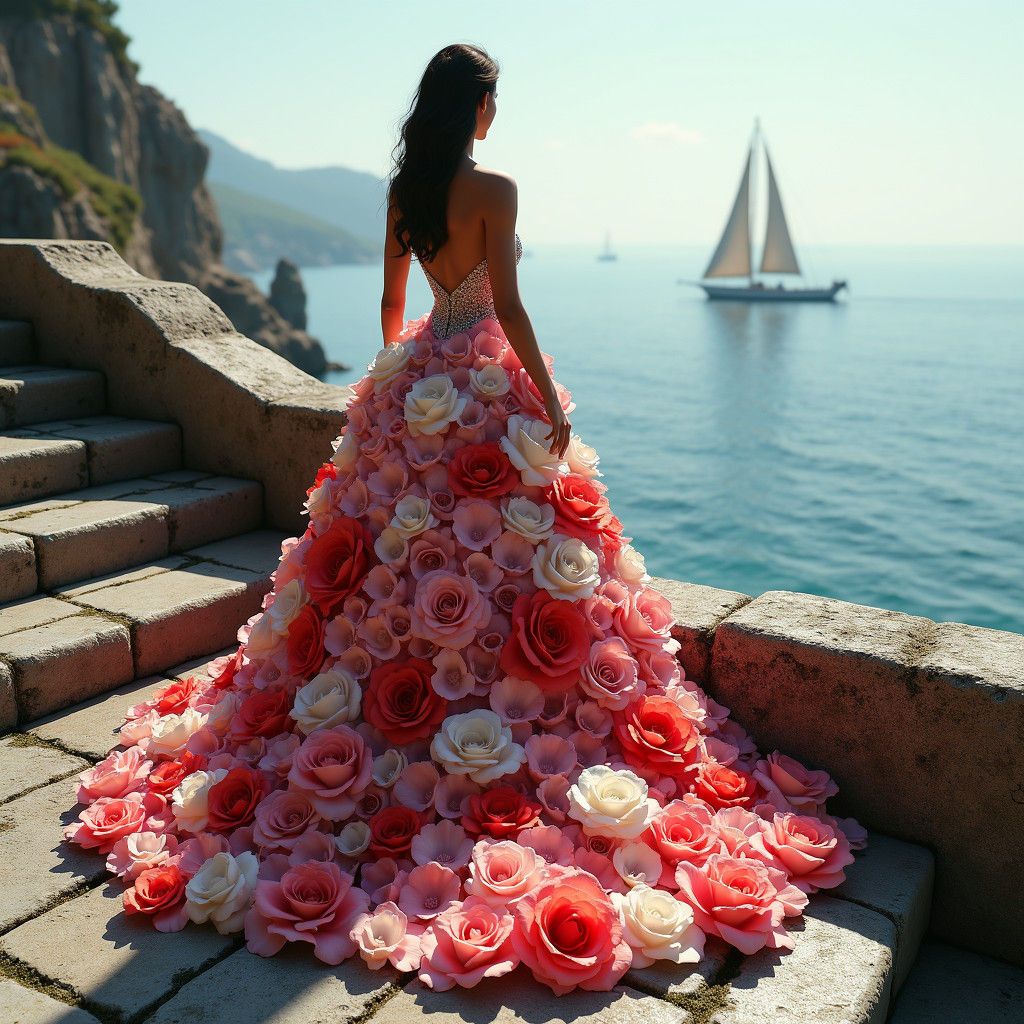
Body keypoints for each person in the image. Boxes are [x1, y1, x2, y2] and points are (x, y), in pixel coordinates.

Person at [62, 42, 867, 996]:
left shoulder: (404, 192)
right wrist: (542, 398)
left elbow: (393, 309)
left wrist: (406, 383)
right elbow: (512, 305)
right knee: (512, 564)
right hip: (485, 377)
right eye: (494, 101)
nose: (496, 116)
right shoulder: (497, 188)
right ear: (476, 107)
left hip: (416, 384)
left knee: (387, 560)